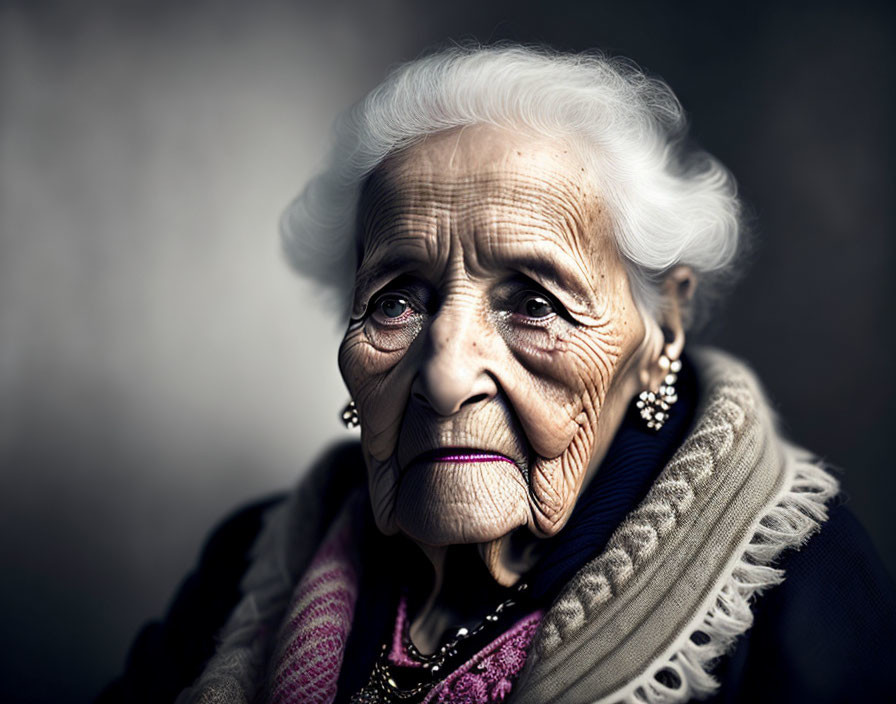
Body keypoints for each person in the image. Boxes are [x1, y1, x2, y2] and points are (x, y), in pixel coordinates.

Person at [99, 45, 896, 704]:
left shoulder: (797, 594)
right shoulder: (249, 560)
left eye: (535, 303)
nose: (445, 378)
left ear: (665, 324)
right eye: (396, 300)